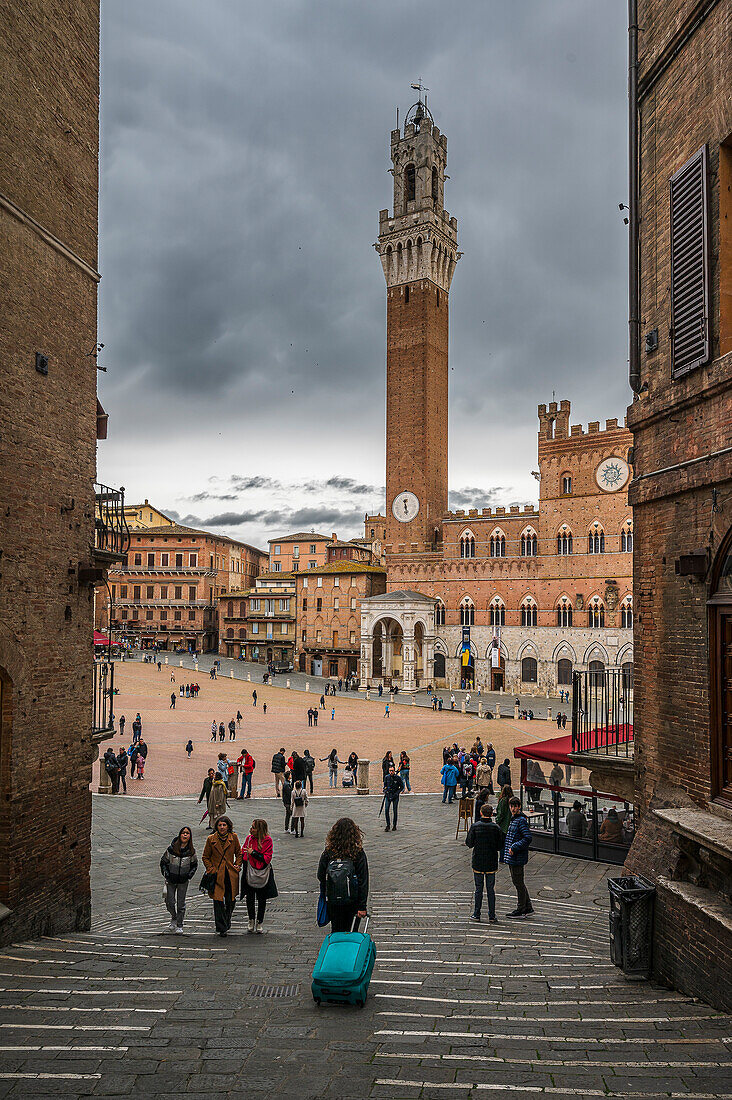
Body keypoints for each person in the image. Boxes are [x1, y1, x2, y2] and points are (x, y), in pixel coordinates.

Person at [317, 817, 369, 932]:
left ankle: (336, 948)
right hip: (351, 900)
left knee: (336, 929)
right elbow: (363, 881)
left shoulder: (329, 852)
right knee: (349, 931)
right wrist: (362, 906)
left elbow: (320, 875)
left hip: (333, 899)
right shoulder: (357, 853)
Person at [202, 816, 241, 936]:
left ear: (228, 826)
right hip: (217, 874)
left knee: (230, 900)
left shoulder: (233, 837)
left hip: (230, 873)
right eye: (220, 825)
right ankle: (221, 927)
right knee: (218, 900)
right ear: (216, 827)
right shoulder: (211, 839)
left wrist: (237, 865)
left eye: (224, 825)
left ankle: (227, 920)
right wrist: (210, 868)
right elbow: (205, 856)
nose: (222, 827)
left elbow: (239, 853)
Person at [466, 804, 503, 922]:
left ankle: (477, 913)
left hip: (478, 860)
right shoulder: (496, 827)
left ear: (481, 813)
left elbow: (469, 843)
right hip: (491, 861)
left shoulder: (475, 826)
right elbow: (500, 845)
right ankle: (492, 915)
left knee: (478, 888)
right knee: (490, 889)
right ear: (491, 814)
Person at [241, 819, 278, 933]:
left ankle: (259, 921)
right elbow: (243, 852)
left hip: (262, 872)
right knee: (250, 897)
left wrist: (253, 853)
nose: (251, 829)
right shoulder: (249, 839)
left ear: (259, 830)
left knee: (262, 899)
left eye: (253, 827)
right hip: (249, 871)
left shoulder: (268, 840)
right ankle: (251, 919)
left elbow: (267, 858)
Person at [160, 826, 198, 933]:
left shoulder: (191, 851)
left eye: (187, 833)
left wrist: (189, 875)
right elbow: (163, 862)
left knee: (181, 904)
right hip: (171, 879)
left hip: (183, 881)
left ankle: (180, 924)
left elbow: (194, 865)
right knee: (169, 902)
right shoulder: (171, 849)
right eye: (183, 833)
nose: (185, 835)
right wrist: (166, 873)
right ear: (180, 835)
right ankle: (174, 916)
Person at [504, 797, 534, 918]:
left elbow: (527, 838)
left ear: (519, 806)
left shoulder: (521, 820)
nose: (513, 809)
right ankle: (528, 907)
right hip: (513, 856)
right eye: (511, 806)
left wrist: (514, 847)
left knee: (518, 883)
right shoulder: (514, 819)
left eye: (515, 806)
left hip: (517, 856)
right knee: (518, 882)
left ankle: (521, 908)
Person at [383, 765, 404, 832]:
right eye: (390, 771)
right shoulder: (387, 777)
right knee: (386, 810)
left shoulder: (398, 778)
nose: (391, 772)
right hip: (388, 795)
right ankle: (388, 825)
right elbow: (385, 786)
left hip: (395, 795)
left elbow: (402, 786)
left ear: (394, 771)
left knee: (395, 810)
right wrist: (385, 791)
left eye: (392, 771)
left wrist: (397, 793)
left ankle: (394, 825)